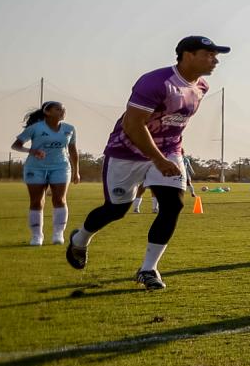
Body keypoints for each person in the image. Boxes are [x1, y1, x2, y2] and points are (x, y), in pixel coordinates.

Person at [66, 36, 227, 290]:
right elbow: (132, 125)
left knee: (172, 204)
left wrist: (168, 156)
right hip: (126, 152)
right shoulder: (156, 81)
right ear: (187, 55)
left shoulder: (202, 87)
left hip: (169, 151)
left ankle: (148, 269)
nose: (215, 60)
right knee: (116, 210)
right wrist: (157, 159)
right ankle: (80, 238)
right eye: (208, 54)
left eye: (216, 55)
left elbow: (173, 121)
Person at [12, 101, 78, 246]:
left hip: (61, 167)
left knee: (59, 200)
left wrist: (76, 171)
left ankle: (58, 234)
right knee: (36, 202)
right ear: (47, 112)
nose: (62, 111)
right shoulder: (35, 128)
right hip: (35, 168)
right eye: (58, 109)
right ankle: (37, 236)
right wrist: (32, 151)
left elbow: (73, 150)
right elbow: (16, 145)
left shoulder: (70, 129)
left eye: (63, 109)